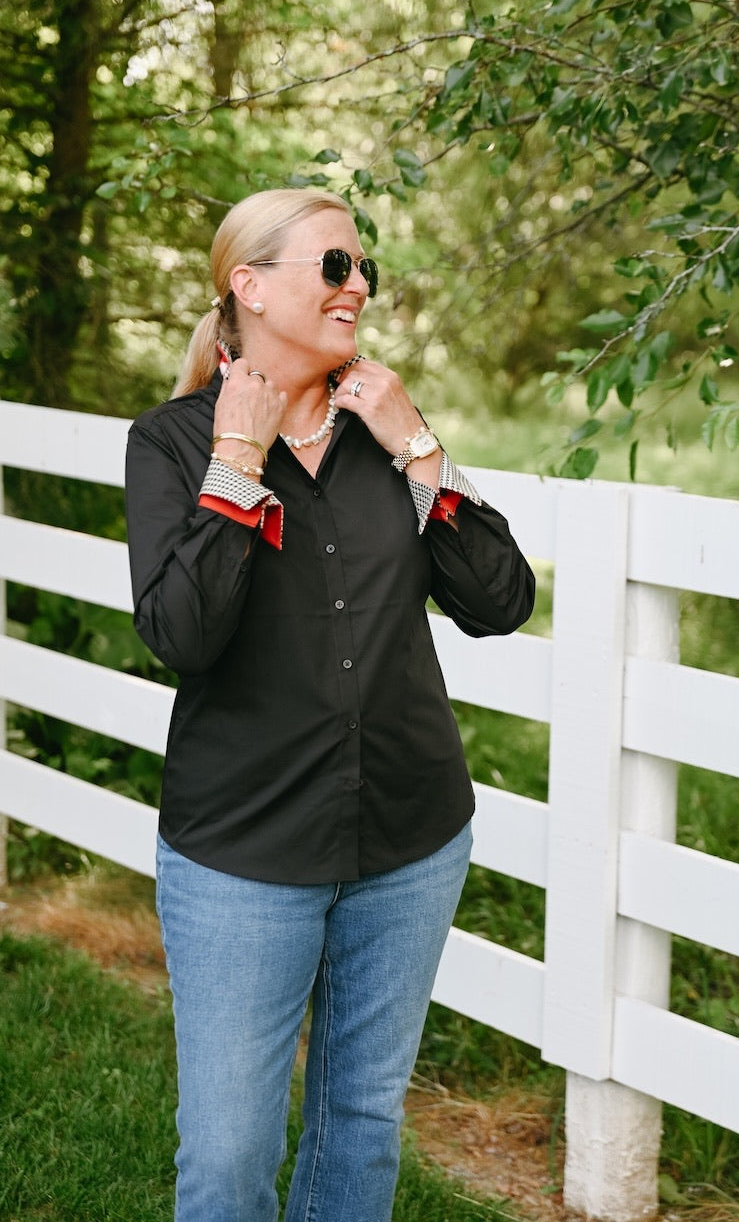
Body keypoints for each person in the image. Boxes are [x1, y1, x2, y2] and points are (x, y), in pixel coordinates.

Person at [124, 186, 535, 1222]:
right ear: (249, 285)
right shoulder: (170, 442)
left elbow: (499, 602)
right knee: (229, 1155)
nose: (358, 288)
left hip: (409, 839)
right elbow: (182, 635)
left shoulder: (385, 436)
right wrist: (238, 457)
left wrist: (418, 445)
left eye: (365, 270)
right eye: (335, 266)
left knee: (359, 1122)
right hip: (244, 853)